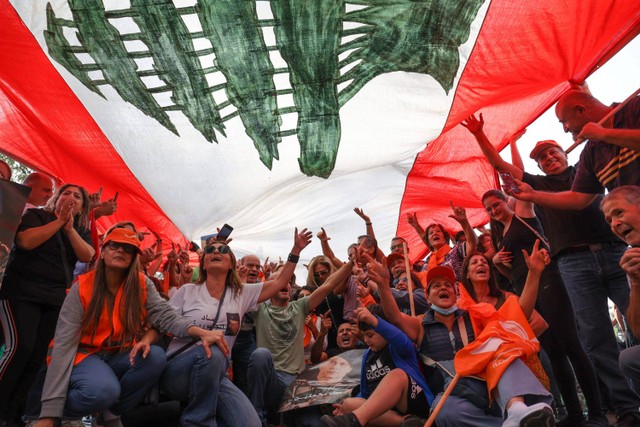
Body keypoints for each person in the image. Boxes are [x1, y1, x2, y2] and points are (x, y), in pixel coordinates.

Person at [462, 113, 640, 422]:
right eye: (541, 158)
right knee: (594, 339)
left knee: (633, 323)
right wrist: (480, 134)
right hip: (570, 264)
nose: (548, 159)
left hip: (611, 253)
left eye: (551, 152)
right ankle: (624, 410)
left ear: (563, 151)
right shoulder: (536, 187)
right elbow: (502, 166)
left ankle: (609, 406)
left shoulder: (588, 170)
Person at [28, 227, 231, 427]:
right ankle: (60, 416)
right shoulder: (82, 287)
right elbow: (63, 345)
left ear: (134, 257)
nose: (120, 251)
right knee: (104, 390)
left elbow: (167, 316)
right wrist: (49, 413)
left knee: (155, 357)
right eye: (114, 245)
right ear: (104, 252)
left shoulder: (142, 283)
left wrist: (201, 333)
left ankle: (110, 415)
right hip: (82, 355)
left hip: (119, 354)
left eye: (128, 248)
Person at [370, 255, 553, 427]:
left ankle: (517, 410)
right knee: (446, 412)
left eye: (448, 285)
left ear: (455, 293)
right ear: (427, 297)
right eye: (436, 286)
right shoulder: (419, 324)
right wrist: (383, 285)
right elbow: (395, 317)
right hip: (452, 392)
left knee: (506, 354)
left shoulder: (474, 315)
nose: (443, 288)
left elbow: (517, 316)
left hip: (485, 382)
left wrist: (534, 274)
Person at [482, 189, 608, 426]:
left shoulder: (522, 214)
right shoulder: (501, 235)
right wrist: (498, 264)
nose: (493, 211)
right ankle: (574, 414)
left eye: (495, 204)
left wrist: (507, 170)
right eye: (488, 209)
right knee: (554, 353)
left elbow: (520, 188)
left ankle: (598, 413)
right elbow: (513, 275)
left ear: (505, 200)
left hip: (550, 281)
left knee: (572, 345)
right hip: (526, 291)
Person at [161, 229, 311, 427]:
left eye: (223, 249)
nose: (216, 251)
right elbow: (164, 322)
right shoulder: (187, 291)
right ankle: (197, 422)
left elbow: (281, 281)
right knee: (213, 352)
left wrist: (295, 250)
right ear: (204, 263)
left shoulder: (242, 294)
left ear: (232, 263)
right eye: (211, 250)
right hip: (179, 371)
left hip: (215, 375)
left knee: (251, 424)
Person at [0, 183, 95, 427]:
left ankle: (13, 414)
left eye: (77, 196)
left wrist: (69, 228)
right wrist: (57, 221)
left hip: (54, 299)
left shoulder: (80, 229)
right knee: (20, 347)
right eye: (65, 192)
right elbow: (25, 242)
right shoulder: (36, 215)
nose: (70, 197)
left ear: (83, 207)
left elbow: (87, 255)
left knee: (38, 357)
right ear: (55, 197)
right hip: (21, 293)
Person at [247, 258, 355, 424]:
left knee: (316, 423)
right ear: (268, 289)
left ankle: (287, 419)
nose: (285, 283)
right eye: (278, 281)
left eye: (288, 281)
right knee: (260, 355)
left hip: (295, 383)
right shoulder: (259, 308)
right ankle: (255, 419)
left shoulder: (299, 307)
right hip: (271, 380)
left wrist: (351, 264)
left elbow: (328, 285)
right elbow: (237, 292)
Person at [513, 90, 640, 210]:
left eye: (564, 122)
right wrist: (533, 195)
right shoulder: (590, 152)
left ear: (580, 110)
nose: (565, 129)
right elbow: (578, 198)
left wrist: (603, 134)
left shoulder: (633, 108)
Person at [321, 305, 433, 427]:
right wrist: (345, 409)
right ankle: (408, 421)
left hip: (414, 402)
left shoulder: (400, 346)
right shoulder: (367, 355)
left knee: (397, 374)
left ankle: (356, 419)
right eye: (363, 336)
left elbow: (398, 337)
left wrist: (375, 321)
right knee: (348, 403)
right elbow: (365, 392)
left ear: (384, 330)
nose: (366, 340)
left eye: (370, 335)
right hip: (388, 413)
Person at [602, 186, 640, 414]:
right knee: (628, 357)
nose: (614, 224)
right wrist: (636, 284)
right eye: (609, 220)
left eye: (619, 213)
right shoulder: (633, 259)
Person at [407, 202, 476, 281]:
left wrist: (464, 223)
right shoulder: (428, 261)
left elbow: (472, 243)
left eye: (438, 231)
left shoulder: (456, 251)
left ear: (445, 237)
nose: (435, 233)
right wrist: (416, 226)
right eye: (431, 233)